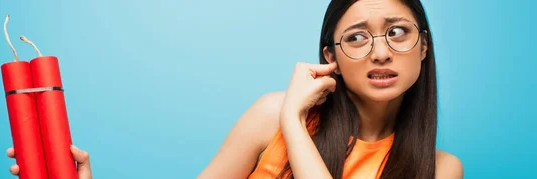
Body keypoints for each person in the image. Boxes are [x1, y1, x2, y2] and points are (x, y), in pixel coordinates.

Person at [197, 0, 463, 178]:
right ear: (332, 58)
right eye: (356, 37)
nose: (381, 53)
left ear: (423, 46)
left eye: (396, 32)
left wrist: (292, 122)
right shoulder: (271, 115)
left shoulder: (440, 169)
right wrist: (291, 118)